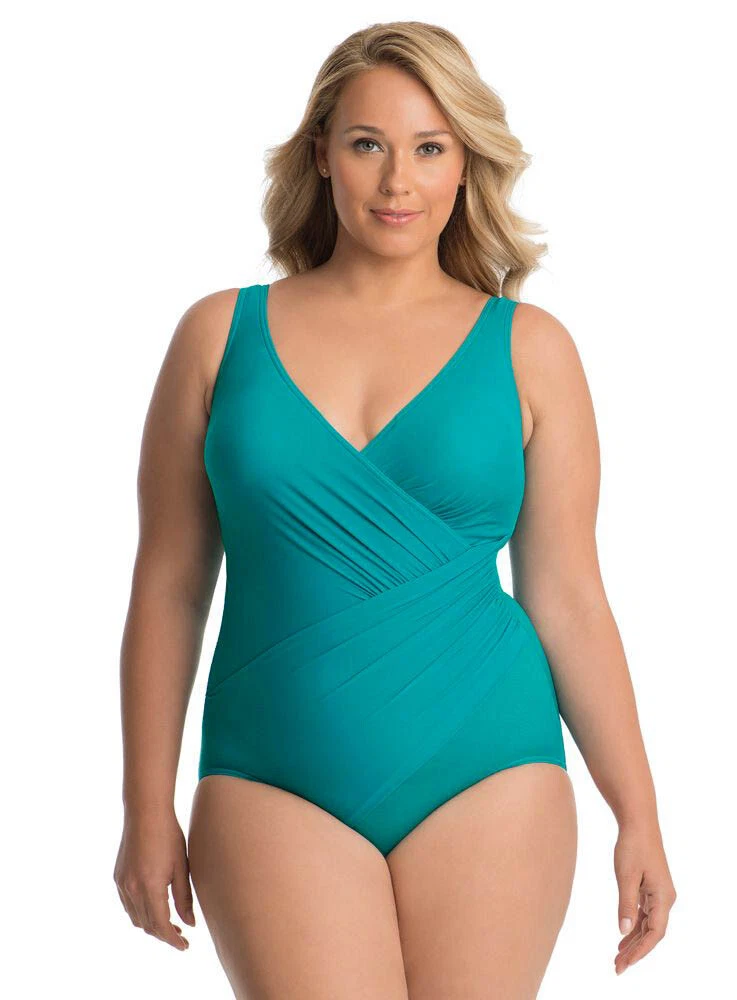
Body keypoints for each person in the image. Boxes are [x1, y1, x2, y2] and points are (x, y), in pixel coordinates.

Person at [114, 20, 676, 998]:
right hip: (270, 770)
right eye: (367, 144)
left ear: (465, 163)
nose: (396, 181)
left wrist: (638, 813)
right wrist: (142, 804)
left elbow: (567, 595)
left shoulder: (531, 348)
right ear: (320, 154)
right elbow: (167, 586)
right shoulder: (217, 335)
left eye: (429, 148)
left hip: (489, 763)